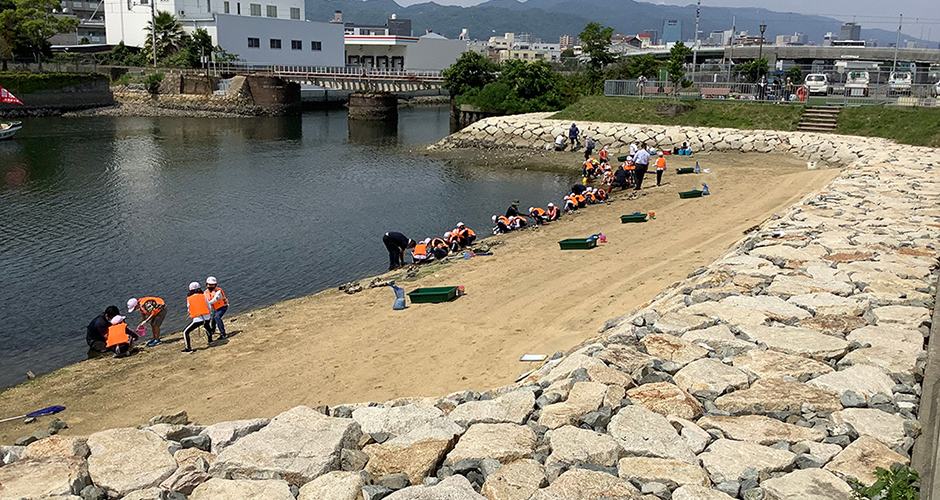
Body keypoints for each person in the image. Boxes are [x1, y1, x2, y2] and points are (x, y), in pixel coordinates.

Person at [183, 281, 213, 353]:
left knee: (186, 332)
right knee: (207, 327)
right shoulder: (204, 295)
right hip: (206, 316)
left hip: (198, 319)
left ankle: (188, 348)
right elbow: (209, 306)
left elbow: (189, 308)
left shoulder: (189, 298)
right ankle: (210, 340)